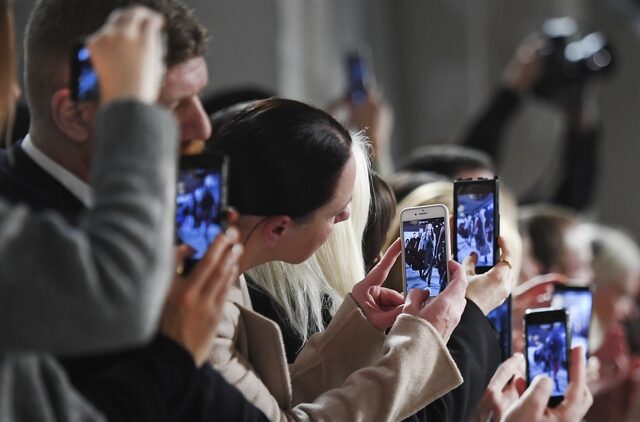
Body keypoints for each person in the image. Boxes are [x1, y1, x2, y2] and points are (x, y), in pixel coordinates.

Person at [1, 1, 270, 421]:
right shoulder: (20, 239)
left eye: (198, 98)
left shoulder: (166, 210)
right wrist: (175, 351)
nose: (202, 127)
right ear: (74, 115)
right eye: (170, 106)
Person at [207, 98, 472, 420]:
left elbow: (267, 403)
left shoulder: (220, 271)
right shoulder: (200, 312)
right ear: (279, 228)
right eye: (336, 212)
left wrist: (357, 330)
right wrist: (422, 343)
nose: (347, 216)